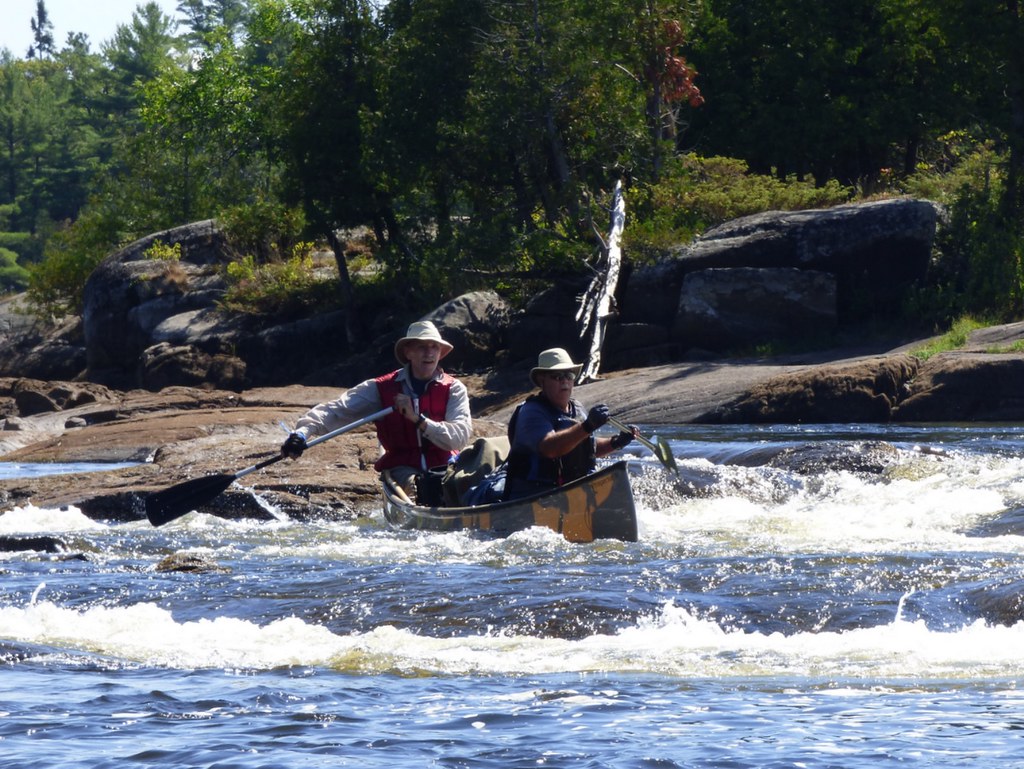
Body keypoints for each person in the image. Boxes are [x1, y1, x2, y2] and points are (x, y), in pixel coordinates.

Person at [280, 320, 472, 499]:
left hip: (446, 467)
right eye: (422, 347)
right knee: (421, 488)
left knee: (459, 486)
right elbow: (335, 410)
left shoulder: (454, 389)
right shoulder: (381, 388)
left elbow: (458, 439)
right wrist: (301, 434)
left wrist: (417, 419)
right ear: (408, 352)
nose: (429, 353)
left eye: (434, 347)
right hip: (403, 468)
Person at [502, 347, 637, 501]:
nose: (565, 381)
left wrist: (616, 442)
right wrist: (587, 426)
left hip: (571, 495)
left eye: (569, 375)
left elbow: (587, 448)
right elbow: (550, 448)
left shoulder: (578, 409)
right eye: (557, 376)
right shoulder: (532, 412)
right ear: (542, 380)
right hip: (532, 496)